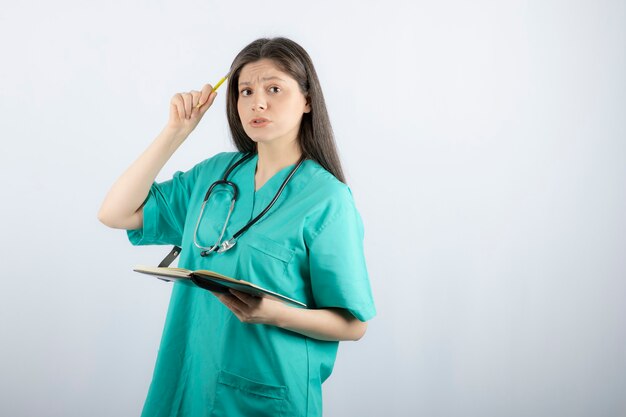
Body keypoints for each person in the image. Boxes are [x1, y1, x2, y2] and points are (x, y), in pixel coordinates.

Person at [98, 37, 376, 417]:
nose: (257, 102)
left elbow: (353, 324)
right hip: (189, 380)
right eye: (245, 91)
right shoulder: (214, 176)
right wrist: (176, 132)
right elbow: (115, 213)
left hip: (266, 392)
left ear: (308, 100)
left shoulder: (327, 199)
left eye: (273, 89)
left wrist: (272, 312)